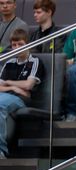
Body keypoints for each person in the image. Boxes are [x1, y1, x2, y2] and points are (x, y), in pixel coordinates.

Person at [0, 29, 44, 159]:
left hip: (22, 98)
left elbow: (28, 85)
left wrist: (8, 83)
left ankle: (1, 151)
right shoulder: (9, 63)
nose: (17, 48)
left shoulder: (34, 61)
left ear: (28, 44)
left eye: (20, 44)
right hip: (8, 94)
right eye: (14, 45)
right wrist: (14, 87)